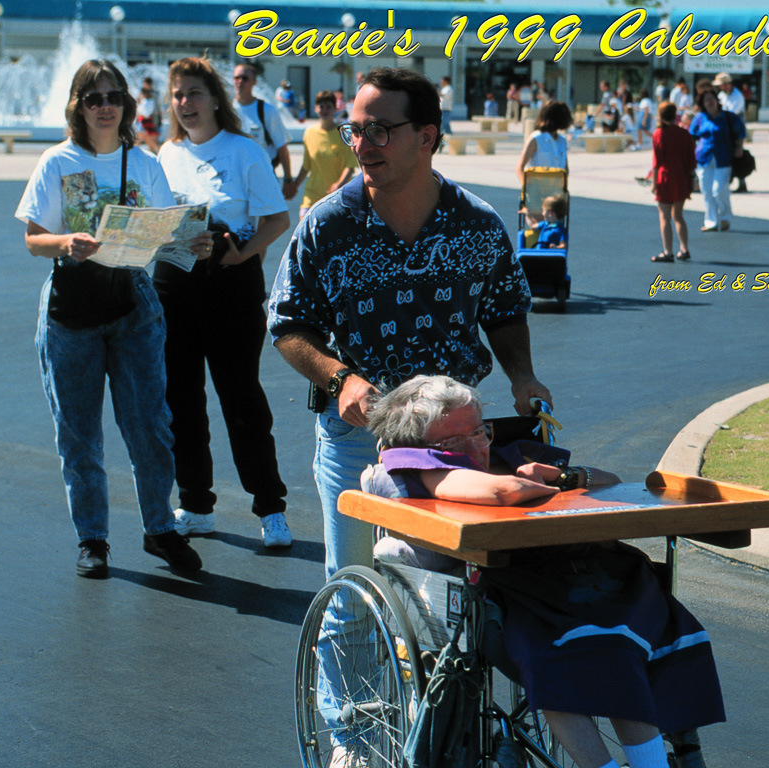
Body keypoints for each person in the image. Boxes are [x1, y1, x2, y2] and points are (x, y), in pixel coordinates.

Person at [268, 66, 551, 767]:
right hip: (359, 440)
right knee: (354, 595)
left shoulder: (477, 224)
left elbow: (505, 309)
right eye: (355, 129)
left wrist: (521, 374)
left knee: (467, 591)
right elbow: (288, 326)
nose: (363, 142)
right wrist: (340, 377)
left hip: (458, 443)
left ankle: (466, 730)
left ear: (426, 136)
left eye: (380, 129)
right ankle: (357, 743)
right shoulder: (327, 226)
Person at [364, 375, 724, 768]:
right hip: (518, 590)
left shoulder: (507, 450)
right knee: (557, 661)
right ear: (426, 445)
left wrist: (568, 476)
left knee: (622, 644)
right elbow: (503, 494)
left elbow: (611, 482)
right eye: (456, 441)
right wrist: (536, 480)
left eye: (480, 431)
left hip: (575, 575)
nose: (476, 447)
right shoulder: (420, 465)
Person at [14, 59, 207, 579]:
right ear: (77, 105)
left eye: (114, 97)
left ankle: (159, 528)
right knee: (79, 434)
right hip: (71, 307)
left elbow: (166, 232)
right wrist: (65, 241)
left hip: (133, 304)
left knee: (151, 426)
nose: (105, 106)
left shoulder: (143, 162)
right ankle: (93, 539)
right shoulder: (58, 162)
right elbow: (33, 238)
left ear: (127, 105)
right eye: (94, 98)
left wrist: (193, 240)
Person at [154, 57, 293, 547]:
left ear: (216, 98)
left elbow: (277, 219)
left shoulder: (244, 151)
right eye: (177, 95)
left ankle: (270, 507)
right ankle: (195, 503)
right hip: (173, 285)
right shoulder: (165, 154)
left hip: (230, 284)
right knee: (180, 401)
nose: (185, 103)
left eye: (194, 93)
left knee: (241, 399)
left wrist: (242, 255)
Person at [288, 89, 359, 218]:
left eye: (328, 107)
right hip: (312, 195)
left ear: (335, 108)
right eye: (321, 106)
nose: (324, 110)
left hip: (335, 196)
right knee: (304, 233)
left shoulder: (343, 134)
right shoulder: (309, 133)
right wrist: (294, 186)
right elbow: (306, 166)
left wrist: (338, 185)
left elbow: (350, 166)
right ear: (315, 108)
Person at [232, 60, 294, 200]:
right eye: (237, 78)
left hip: (263, 176)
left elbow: (282, 147)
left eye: (245, 78)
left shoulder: (266, 110)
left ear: (254, 81)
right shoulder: (227, 111)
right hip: (236, 180)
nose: (240, 81)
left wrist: (288, 179)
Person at [690, 87, 745, 233]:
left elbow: (741, 132)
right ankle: (711, 221)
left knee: (719, 190)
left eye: (711, 99)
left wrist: (739, 147)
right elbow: (691, 136)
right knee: (707, 191)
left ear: (717, 100)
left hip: (723, 157)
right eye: (705, 100)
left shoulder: (729, 117)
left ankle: (725, 217)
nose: (709, 102)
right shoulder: (699, 118)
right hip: (704, 158)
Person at [650, 101, 696, 262]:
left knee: (664, 217)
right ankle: (684, 248)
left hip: (665, 178)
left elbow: (656, 162)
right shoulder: (684, 134)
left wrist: (653, 183)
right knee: (678, 215)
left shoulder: (658, 133)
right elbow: (691, 159)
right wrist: (691, 177)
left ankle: (667, 251)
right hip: (681, 178)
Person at [517, 100, 572, 185]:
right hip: (537, 191)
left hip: (557, 192)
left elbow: (565, 169)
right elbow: (520, 167)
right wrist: (526, 189)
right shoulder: (536, 139)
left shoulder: (562, 141)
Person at [713, 72, 749, 192]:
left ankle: (741, 182)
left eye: (721, 85)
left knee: (738, 154)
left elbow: (732, 113)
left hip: (736, 129)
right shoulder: (723, 95)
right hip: (726, 127)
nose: (719, 87)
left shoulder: (737, 95)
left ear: (727, 84)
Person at [134, 76, 161, 153]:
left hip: (150, 120)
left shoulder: (153, 96)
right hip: (143, 121)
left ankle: (156, 151)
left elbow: (156, 109)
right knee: (143, 138)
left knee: (149, 139)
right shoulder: (141, 96)